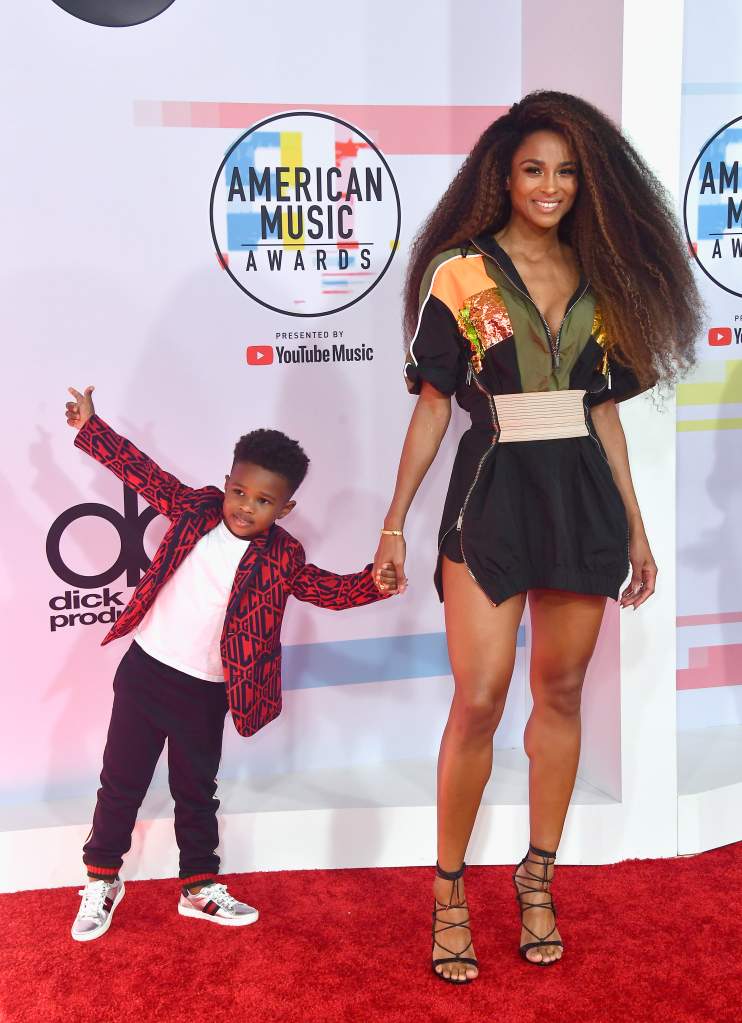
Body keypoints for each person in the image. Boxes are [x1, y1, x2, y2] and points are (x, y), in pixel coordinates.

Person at [373, 91, 702, 981]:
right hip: (492, 496)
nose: (549, 186)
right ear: (504, 176)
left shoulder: (609, 274)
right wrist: (396, 520)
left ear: (585, 180)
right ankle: (447, 889)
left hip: (582, 500)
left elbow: (602, 417)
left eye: (565, 171)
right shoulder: (461, 272)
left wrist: (635, 527)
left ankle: (538, 874)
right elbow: (436, 406)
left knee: (560, 693)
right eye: (533, 169)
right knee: (479, 697)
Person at [65, 386, 396, 941]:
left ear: (286, 508)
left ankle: (198, 887)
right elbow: (144, 475)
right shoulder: (194, 510)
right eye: (238, 491)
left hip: (208, 691)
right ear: (225, 483)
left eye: (263, 501)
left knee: (196, 790)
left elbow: (327, 590)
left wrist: (373, 584)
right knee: (120, 783)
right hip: (147, 671)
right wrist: (91, 427)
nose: (246, 506)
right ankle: (102, 879)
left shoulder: (284, 556)